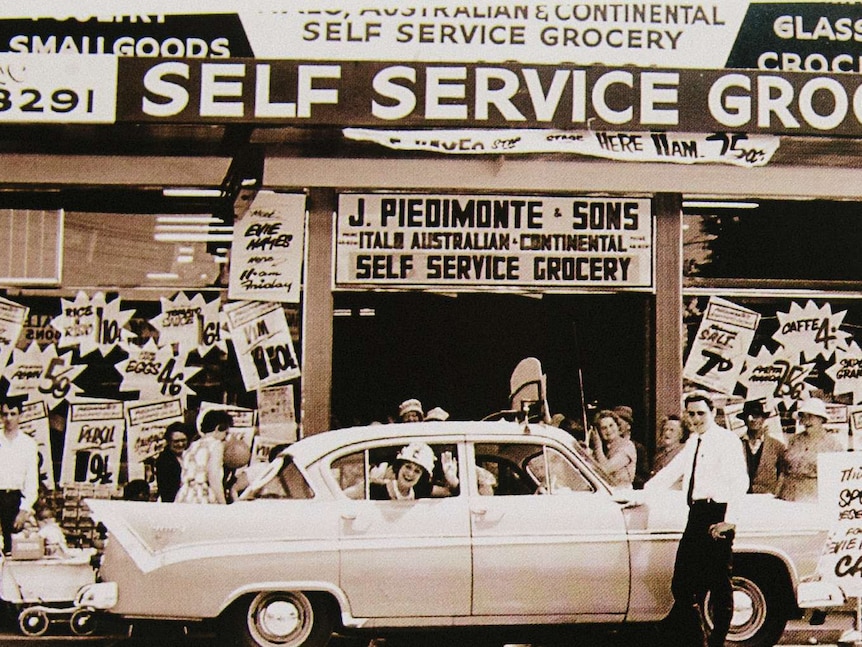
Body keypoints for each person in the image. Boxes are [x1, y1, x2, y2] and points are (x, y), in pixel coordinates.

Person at [645, 391, 749, 647]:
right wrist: (640, 494)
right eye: (690, 414)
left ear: (713, 413)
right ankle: (695, 636)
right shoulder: (693, 442)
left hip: (718, 514)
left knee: (718, 583)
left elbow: (739, 481)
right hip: (697, 515)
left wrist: (730, 521)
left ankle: (716, 641)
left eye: (701, 413)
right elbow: (671, 472)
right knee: (681, 582)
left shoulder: (727, 441)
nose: (695, 419)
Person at [777, 397, 841, 503]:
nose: (806, 421)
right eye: (803, 416)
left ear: (821, 419)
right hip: (788, 495)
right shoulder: (794, 440)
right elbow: (783, 470)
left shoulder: (833, 444)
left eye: (811, 416)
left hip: (814, 497)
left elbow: (836, 478)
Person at [0, 394, 40, 555]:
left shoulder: (28, 445)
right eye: (5, 414)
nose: (9, 418)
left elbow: (31, 482)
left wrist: (24, 510)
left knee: (13, 549)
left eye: (13, 414)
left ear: (20, 416)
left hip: (14, 500)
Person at [365, 442, 459, 500]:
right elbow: (350, 496)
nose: (410, 474)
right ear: (399, 467)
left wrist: (452, 479)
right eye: (408, 467)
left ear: (422, 476)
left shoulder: (420, 490)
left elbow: (451, 493)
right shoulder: (376, 488)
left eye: (417, 471)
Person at [175, 409, 231, 504]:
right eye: (226, 432)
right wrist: (223, 503)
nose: (226, 437)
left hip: (185, 494)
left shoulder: (192, 445)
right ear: (218, 428)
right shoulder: (216, 445)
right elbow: (213, 476)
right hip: (202, 495)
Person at [738, 399, 785, 495]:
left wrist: (776, 493)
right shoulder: (736, 444)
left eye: (756, 415)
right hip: (741, 498)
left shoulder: (777, 446)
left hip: (767, 499)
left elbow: (783, 474)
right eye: (748, 415)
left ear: (763, 419)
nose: (751, 419)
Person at [588, 410, 637, 488]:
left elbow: (605, 470)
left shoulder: (627, 446)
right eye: (604, 428)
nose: (609, 430)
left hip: (621, 494)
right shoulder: (603, 448)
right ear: (598, 432)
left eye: (611, 425)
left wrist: (598, 446)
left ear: (617, 426)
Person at [613, 405, 649, 489]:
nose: (617, 427)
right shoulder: (608, 446)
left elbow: (643, 476)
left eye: (619, 424)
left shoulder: (638, 448)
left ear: (628, 426)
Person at [154, 422, 190, 502]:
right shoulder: (164, 461)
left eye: (183, 440)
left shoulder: (190, 455)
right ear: (169, 441)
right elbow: (166, 491)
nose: (180, 444)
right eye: (176, 441)